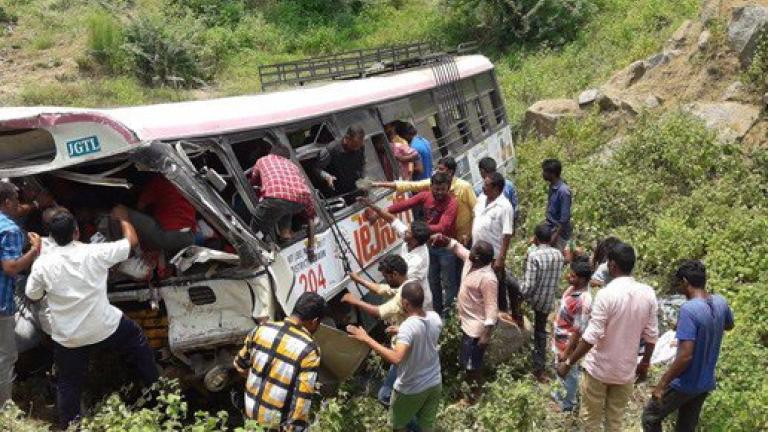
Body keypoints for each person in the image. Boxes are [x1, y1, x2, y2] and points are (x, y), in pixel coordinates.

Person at [25, 207, 159, 428]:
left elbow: (33, 295)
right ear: (77, 231)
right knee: (138, 342)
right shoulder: (95, 252)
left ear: (51, 236)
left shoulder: (42, 265)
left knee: (68, 382)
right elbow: (131, 242)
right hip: (104, 326)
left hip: (69, 336)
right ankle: (157, 397)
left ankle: (71, 424)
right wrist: (124, 218)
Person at [556, 242, 658, 432]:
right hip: (625, 371)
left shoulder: (606, 294)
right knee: (615, 422)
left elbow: (591, 336)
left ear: (612, 266)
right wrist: (644, 364)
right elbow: (652, 336)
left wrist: (568, 362)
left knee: (590, 421)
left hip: (598, 370)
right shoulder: (648, 293)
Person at [641, 260, 734, 432]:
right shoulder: (720, 302)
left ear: (685, 282)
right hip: (704, 382)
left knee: (650, 417)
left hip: (685, 383)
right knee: (686, 427)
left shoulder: (689, 310)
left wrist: (661, 384)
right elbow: (729, 325)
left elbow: (685, 356)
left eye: (679, 284)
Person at [347, 282, 442, 432]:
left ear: (405, 303)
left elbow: (396, 358)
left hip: (411, 388)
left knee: (398, 426)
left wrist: (366, 338)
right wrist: (401, 331)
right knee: (426, 426)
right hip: (435, 383)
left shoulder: (408, 327)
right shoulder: (434, 317)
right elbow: (424, 333)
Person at [233, 292, 325, 431]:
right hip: (275, 424)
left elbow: (239, 365)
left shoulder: (261, 329)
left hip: (250, 416)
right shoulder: (309, 349)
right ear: (314, 321)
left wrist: (260, 378)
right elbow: (301, 399)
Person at [342, 255, 419, 406]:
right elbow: (382, 290)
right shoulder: (409, 284)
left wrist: (354, 301)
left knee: (385, 395)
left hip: (405, 352)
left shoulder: (404, 295)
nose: (385, 279)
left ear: (395, 274)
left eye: (386, 276)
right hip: (409, 347)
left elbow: (379, 312)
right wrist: (358, 280)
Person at [383, 173, 457, 316]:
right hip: (429, 245)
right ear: (431, 187)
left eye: (443, 189)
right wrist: (386, 210)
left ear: (448, 189)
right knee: (432, 281)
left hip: (444, 247)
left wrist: (420, 231)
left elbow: (444, 226)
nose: (440, 192)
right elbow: (406, 204)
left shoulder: (452, 203)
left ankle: (450, 315)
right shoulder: (425, 196)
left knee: (448, 282)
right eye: (436, 189)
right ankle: (437, 312)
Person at [441, 235, 498, 403]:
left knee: (472, 365)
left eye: (474, 249)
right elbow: (457, 247)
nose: (470, 250)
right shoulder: (471, 261)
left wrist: (486, 334)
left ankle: (473, 396)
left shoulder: (488, 278)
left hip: (476, 328)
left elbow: (491, 307)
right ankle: (470, 391)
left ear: (479, 257)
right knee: (467, 361)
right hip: (467, 323)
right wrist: (444, 240)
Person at [0, 182, 41, 407]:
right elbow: (11, 267)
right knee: (6, 356)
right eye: (16, 200)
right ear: (7, 202)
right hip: (1, 302)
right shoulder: (9, 229)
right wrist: (35, 250)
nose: (18, 204)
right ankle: (4, 409)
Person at [358, 197, 431, 309]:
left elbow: (399, 284)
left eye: (407, 232)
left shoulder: (417, 261)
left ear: (415, 240)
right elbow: (392, 220)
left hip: (417, 304)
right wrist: (372, 205)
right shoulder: (411, 240)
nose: (404, 231)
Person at [249, 147, 317, 259]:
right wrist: (311, 214)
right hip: (300, 201)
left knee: (255, 229)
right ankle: (285, 233)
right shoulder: (293, 166)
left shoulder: (263, 160)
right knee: (286, 207)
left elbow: (253, 180)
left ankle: (260, 247)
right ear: (287, 158)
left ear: (270, 153)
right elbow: (310, 216)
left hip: (275, 200)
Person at [520, 223, 565, 383]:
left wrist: (519, 294)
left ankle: (524, 356)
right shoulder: (559, 255)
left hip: (534, 298)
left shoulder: (534, 256)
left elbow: (529, 286)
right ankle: (539, 368)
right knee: (541, 331)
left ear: (536, 239)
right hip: (547, 300)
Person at [551, 257, 594, 412]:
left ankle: (568, 405)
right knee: (560, 370)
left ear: (582, 279)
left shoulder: (584, 300)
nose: (569, 277)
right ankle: (558, 397)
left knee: (569, 373)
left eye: (573, 275)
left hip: (568, 344)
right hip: (559, 340)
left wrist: (567, 352)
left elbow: (578, 330)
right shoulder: (572, 290)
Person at [471, 172, 515, 316]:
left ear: (496, 189)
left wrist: (501, 258)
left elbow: (507, 233)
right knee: (482, 287)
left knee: (496, 288)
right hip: (478, 253)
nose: (483, 187)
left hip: (494, 256)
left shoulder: (505, 207)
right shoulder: (481, 198)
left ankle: (503, 317)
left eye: (486, 185)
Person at [126, 174, 196, 256]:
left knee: (121, 211)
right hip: (189, 237)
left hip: (168, 233)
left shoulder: (159, 181)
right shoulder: (188, 184)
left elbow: (140, 205)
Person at [317, 126, 366, 201]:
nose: (356, 149)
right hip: (338, 194)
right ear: (347, 138)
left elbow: (362, 164)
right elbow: (317, 168)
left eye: (359, 146)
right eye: (354, 145)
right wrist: (327, 176)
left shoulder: (360, 147)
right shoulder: (331, 150)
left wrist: (363, 178)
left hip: (355, 190)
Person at [541, 159, 572, 250]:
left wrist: (555, 237)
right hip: (550, 229)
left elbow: (564, 219)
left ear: (553, 174)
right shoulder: (552, 186)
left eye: (545, 171)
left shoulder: (563, 192)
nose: (543, 174)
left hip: (559, 234)